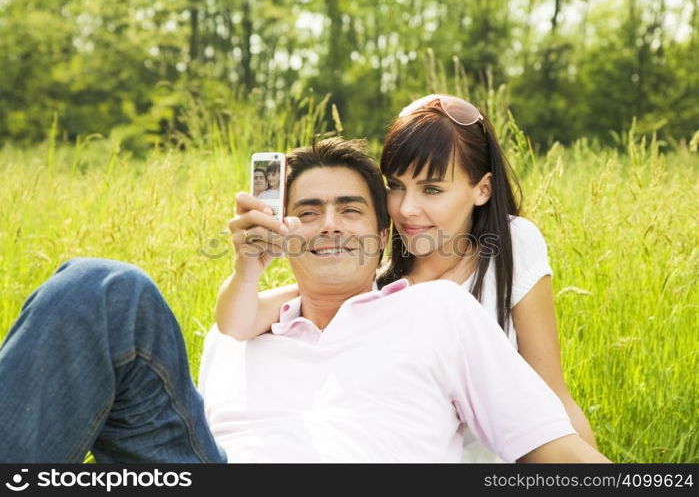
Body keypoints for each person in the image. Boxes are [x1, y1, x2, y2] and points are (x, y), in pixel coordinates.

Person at [0, 137, 609, 463]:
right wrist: (248, 272)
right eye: (307, 213)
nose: (330, 225)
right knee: (101, 288)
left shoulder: (438, 313)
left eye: (350, 210)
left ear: (384, 235)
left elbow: (549, 447)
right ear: (280, 228)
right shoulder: (235, 330)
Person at [218, 95, 597, 462]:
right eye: (396, 186)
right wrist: (250, 272)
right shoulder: (384, 284)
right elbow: (275, 309)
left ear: (482, 189)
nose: (407, 208)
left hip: (509, 447)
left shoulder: (509, 245)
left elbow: (553, 395)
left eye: (432, 189)